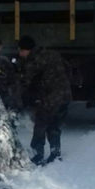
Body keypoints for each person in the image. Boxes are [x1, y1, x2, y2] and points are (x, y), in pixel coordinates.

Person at [18, 35, 72, 166]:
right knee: (54, 124)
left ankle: (36, 155)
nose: (19, 54)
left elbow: (26, 81)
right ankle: (55, 152)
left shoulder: (34, 60)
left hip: (50, 97)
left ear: (26, 50)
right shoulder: (52, 54)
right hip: (64, 94)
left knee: (40, 125)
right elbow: (68, 68)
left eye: (20, 50)